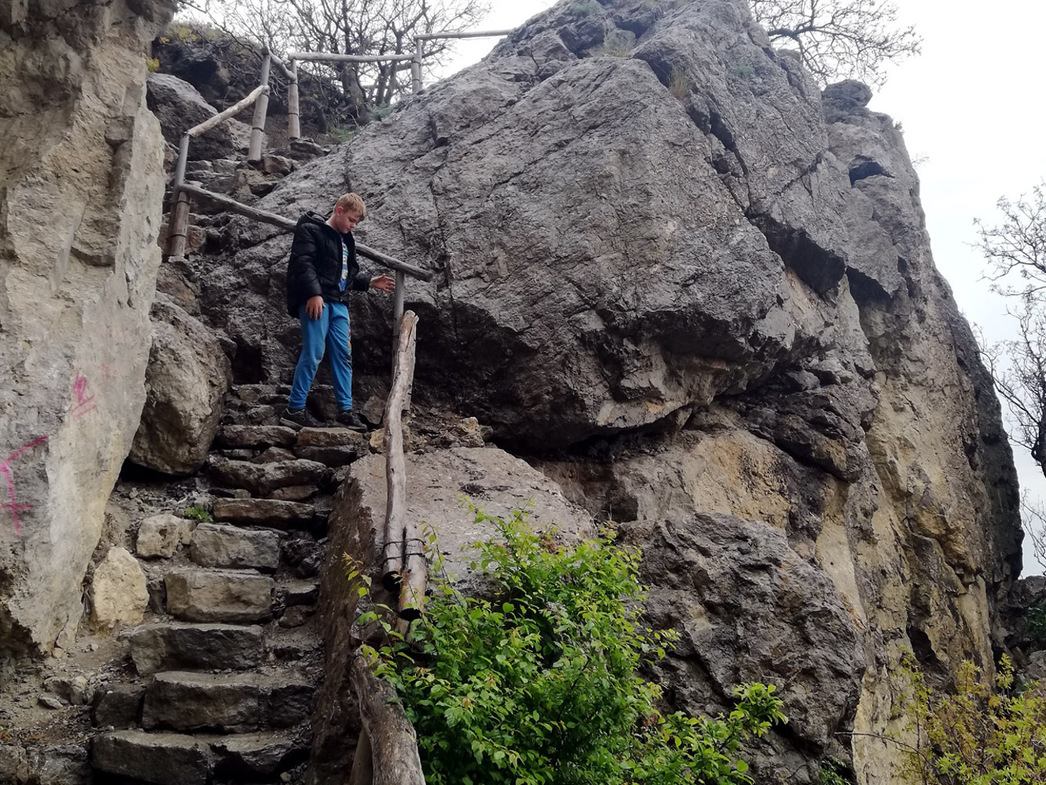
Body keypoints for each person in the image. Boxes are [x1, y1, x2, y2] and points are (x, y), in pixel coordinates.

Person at [282, 193, 395, 431]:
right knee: (314, 352)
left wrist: (369, 282)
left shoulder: (346, 240)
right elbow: (303, 263)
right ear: (339, 210)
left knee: (343, 354)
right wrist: (314, 294)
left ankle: (345, 410)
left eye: (357, 223)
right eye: (352, 220)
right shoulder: (311, 229)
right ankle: (294, 408)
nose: (353, 226)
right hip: (317, 301)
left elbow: (343, 276)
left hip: (339, 304)